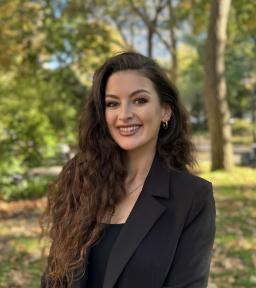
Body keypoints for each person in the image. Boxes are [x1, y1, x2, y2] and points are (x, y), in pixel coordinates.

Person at [41, 51, 216, 288]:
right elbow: (53, 278)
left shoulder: (192, 197)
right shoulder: (80, 180)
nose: (124, 115)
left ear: (165, 110)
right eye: (113, 103)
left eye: (139, 100)